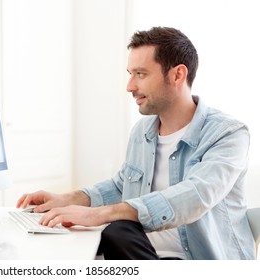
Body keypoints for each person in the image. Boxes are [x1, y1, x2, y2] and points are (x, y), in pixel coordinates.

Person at [16, 26, 256, 260]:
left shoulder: (228, 133)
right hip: (146, 253)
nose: (130, 86)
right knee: (114, 232)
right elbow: (121, 186)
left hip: (199, 261)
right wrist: (66, 199)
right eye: (130, 74)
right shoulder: (143, 131)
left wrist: (98, 214)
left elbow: (196, 195)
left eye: (140, 74)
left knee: (112, 228)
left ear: (177, 75)